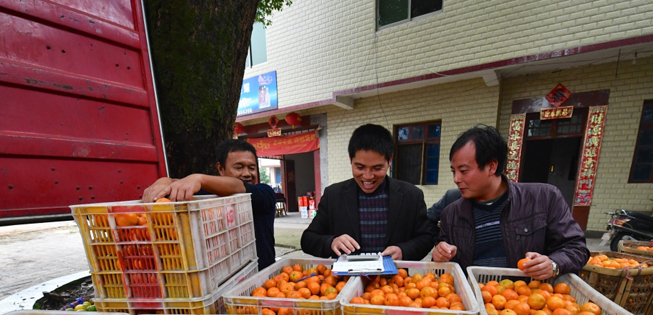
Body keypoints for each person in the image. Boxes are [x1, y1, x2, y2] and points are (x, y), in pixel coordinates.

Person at [433, 125, 589, 279]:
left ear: (492, 167)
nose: (456, 179)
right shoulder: (451, 214)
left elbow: (576, 248)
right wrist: (440, 255)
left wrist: (553, 264)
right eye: (453, 171)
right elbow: (443, 271)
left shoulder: (544, 198)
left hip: (527, 293)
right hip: (472, 294)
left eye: (463, 171)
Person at [301, 124, 436, 260]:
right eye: (360, 167)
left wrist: (403, 251)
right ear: (351, 159)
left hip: (394, 273)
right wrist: (331, 242)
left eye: (377, 168)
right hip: (347, 274)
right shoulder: (333, 195)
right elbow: (308, 239)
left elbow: (426, 238)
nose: (368, 176)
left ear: (389, 160)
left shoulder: (411, 196)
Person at [142, 139, 276, 270]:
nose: (247, 173)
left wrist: (198, 178)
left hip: (262, 274)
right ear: (221, 168)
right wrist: (163, 182)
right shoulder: (209, 193)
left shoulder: (265, 192)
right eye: (239, 167)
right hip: (225, 274)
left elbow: (239, 186)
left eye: (251, 168)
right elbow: (175, 182)